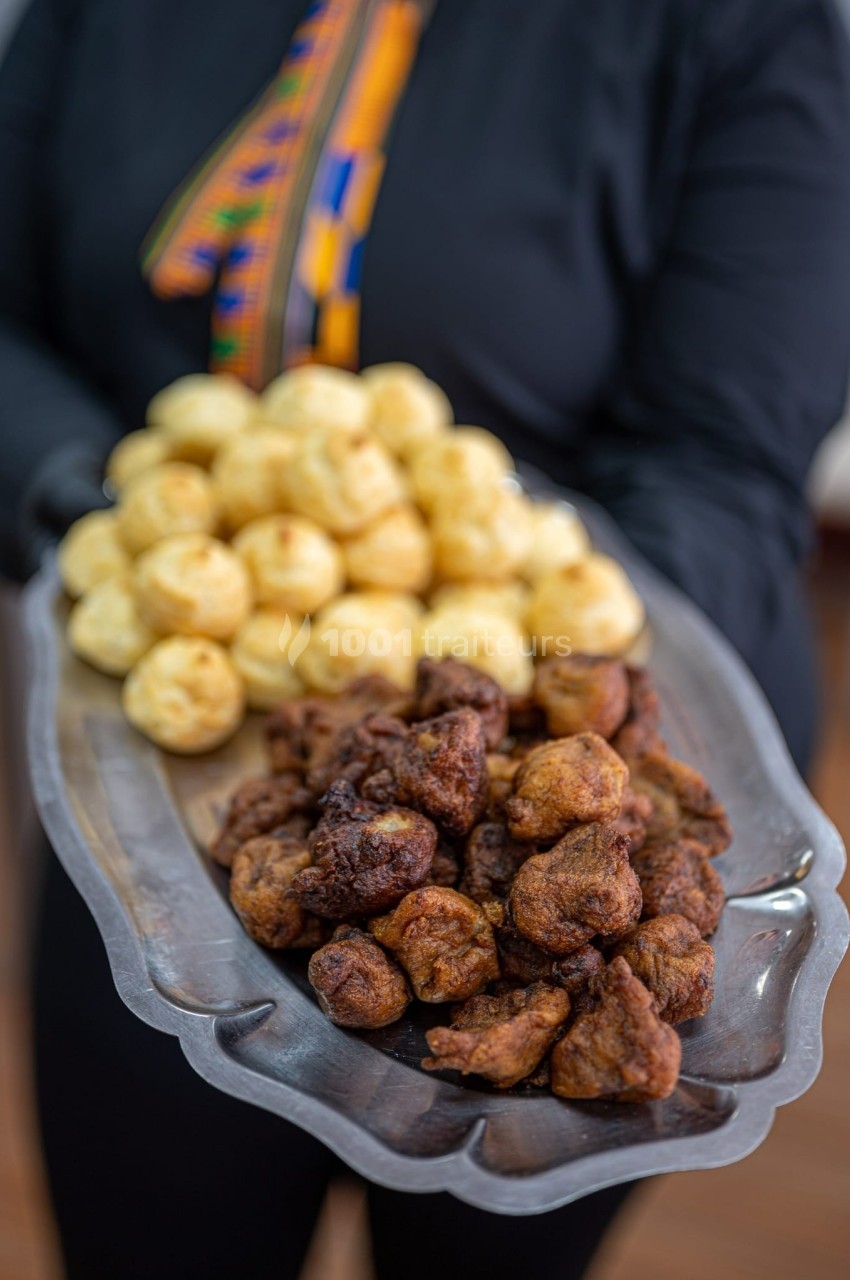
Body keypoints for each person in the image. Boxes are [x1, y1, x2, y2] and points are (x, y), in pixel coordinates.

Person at [2, 1, 850, 1276]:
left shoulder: (736, 25)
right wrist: (95, 502)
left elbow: (723, 455)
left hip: (591, 679)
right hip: (161, 767)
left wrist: (543, 680)